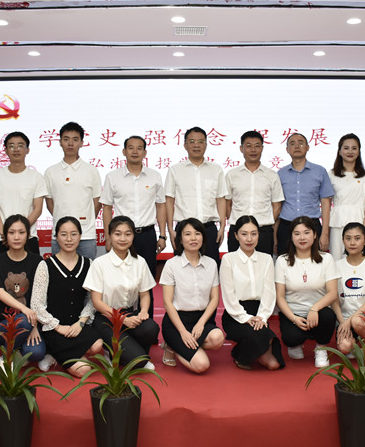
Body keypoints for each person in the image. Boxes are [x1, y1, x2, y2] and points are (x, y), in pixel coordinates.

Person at [100, 136, 167, 313]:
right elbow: (106, 208)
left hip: (147, 235)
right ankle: (120, 321)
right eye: (130, 148)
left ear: (145, 153)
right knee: (120, 281)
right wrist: (108, 237)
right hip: (122, 237)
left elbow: (161, 206)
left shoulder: (154, 176)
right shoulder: (112, 177)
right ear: (124, 152)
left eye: (139, 148)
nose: (135, 151)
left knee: (147, 282)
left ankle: (147, 321)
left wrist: (162, 235)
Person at [31, 217, 104, 376]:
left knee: (97, 345)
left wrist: (81, 322)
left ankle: (59, 355)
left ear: (80, 236)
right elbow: (37, 305)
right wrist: (57, 326)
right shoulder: (45, 265)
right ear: (56, 237)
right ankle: (54, 352)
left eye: (73, 234)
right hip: (54, 328)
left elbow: (93, 300)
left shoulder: (88, 264)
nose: (69, 239)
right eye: (64, 234)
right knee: (84, 370)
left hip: (77, 325)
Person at [83, 216, 159, 369]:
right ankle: (111, 352)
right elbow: (96, 302)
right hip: (106, 318)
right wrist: (122, 319)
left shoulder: (140, 262)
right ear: (109, 236)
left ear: (133, 236)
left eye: (128, 234)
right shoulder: (100, 263)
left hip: (130, 313)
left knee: (151, 328)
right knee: (138, 361)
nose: (123, 238)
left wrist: (143, 311)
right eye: (117, 234)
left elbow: (145, 294)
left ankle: (130, 350)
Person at [219, 215, 284, 370]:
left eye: (253, 234)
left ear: (258, 235)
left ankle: (241, 352)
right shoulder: (228, 259)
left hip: (260, 313)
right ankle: (243, 352)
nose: (249, 239)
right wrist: (246, 318)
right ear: (236, 235)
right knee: (264, 344)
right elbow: (229, 296)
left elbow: (269, 292)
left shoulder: (266, 259)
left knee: (274, 364)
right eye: (244, 234)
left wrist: (262, 317)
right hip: (235, 315)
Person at [159, 219, 225, 373]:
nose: (193, 238)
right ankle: (173, 345)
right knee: (201, 365)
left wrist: (201, 323)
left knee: (217, 338)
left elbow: (214, 299)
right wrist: (183, 332)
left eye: (197, 233)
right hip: (177, 321)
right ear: (180, 239)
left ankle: (179, 347)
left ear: (203, 237)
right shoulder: (171, 265)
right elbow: (168, 303)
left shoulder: (211, 264)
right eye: (188, 234)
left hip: (201, 320)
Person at [275, 216, 340, 367]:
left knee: (328, 316)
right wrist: (293, 318)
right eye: (297, 234)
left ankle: (321, 348)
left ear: (315, 235)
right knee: (291, 338)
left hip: (318, 313)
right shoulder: (282, 261)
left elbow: (332, 293)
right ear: (291, 237)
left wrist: (314, 308)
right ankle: (295, 344)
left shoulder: (326, 259)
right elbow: (280, 297)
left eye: (306, 232)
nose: (302, 238)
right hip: (293, 313)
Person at [0, 214, 47, 369]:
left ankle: (16, 350)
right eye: (12, 232)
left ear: (28, 235)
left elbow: (40, 297)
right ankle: (7, 356)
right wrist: (25, 311)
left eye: (21, 232)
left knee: (37, 353)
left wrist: (34, 326)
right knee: (23, 320)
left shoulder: (37, 261)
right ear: (5, 235)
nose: (17, 237)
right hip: (1, 324)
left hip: (30, 322)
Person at [165, 126, 228, 267]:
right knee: (182, 269)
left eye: (200, 141)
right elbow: (169, 201)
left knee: (211, 270)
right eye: (192, 141)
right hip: (183, 229)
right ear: (185, 145)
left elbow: (220, 199)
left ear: (206, 144)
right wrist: (170, 229)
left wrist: (222, 227)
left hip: (209, 229)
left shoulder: (216, 169)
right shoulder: (175, 170)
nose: (196, 145)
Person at [44, 122, 102, 259]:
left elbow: (97, 202)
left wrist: (86, 221)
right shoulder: (51, 172)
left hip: (86, 235)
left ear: (82, 143)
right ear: (60, 142)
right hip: (59, 235)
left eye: (75, 139)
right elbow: (50, 203)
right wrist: (64, 225)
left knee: (87, 271)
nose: (70, 143)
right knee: (59, 271)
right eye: (66, 139)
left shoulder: (91, 171)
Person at [332, 221, 365, 365]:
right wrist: (342, 321)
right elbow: (334, 299)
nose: (352, 243)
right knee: (344, 347)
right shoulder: (336, 265)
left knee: (357, 321)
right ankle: (356, 343)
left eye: (357, 238)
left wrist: (350, 320)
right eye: (348, 238)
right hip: (345, 317)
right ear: (343, 240)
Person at [0, 131, 47, 255]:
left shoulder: (36, 177)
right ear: (6, 150)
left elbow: (38, 209)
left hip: (28, 237)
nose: (16, 150)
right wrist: (5, 232)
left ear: (27, 150)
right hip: (1, 238)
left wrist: (21, 231)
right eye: (11, 146)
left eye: (20, 146)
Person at [225, 130, 285, 255]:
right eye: (248, 146)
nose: (253, 150)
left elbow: (277, 205)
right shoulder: (231, 175)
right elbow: (227, 204)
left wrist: (264, 222)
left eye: (257, 146)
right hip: (238, 231)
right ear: (241, 148)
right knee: (235, 265)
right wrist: (239, 224)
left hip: (264, 232)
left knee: (264, 265)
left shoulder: (272, 175)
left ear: (262, 148)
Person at [275, 132, 333, 255]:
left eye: (301, 143)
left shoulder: (320, 171)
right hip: (286, 227)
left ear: (307, 147)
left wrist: (325, 233)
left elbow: (326, 204)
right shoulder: (280, 174)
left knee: (314, 263)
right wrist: (274, 235)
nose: (297, 146)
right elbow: (278, 205)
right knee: (285, 263)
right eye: (292, 143)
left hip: (312, 226)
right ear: (287, 149)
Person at [328, 133, 365, 260]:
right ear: (339, 151)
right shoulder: (331, 175)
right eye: (346, 148)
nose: (350, 151)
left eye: (354, 148)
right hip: (337, 224)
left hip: (360, 222)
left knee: (361, 261)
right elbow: (326, 203)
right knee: (337, 260)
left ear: (359, 151)